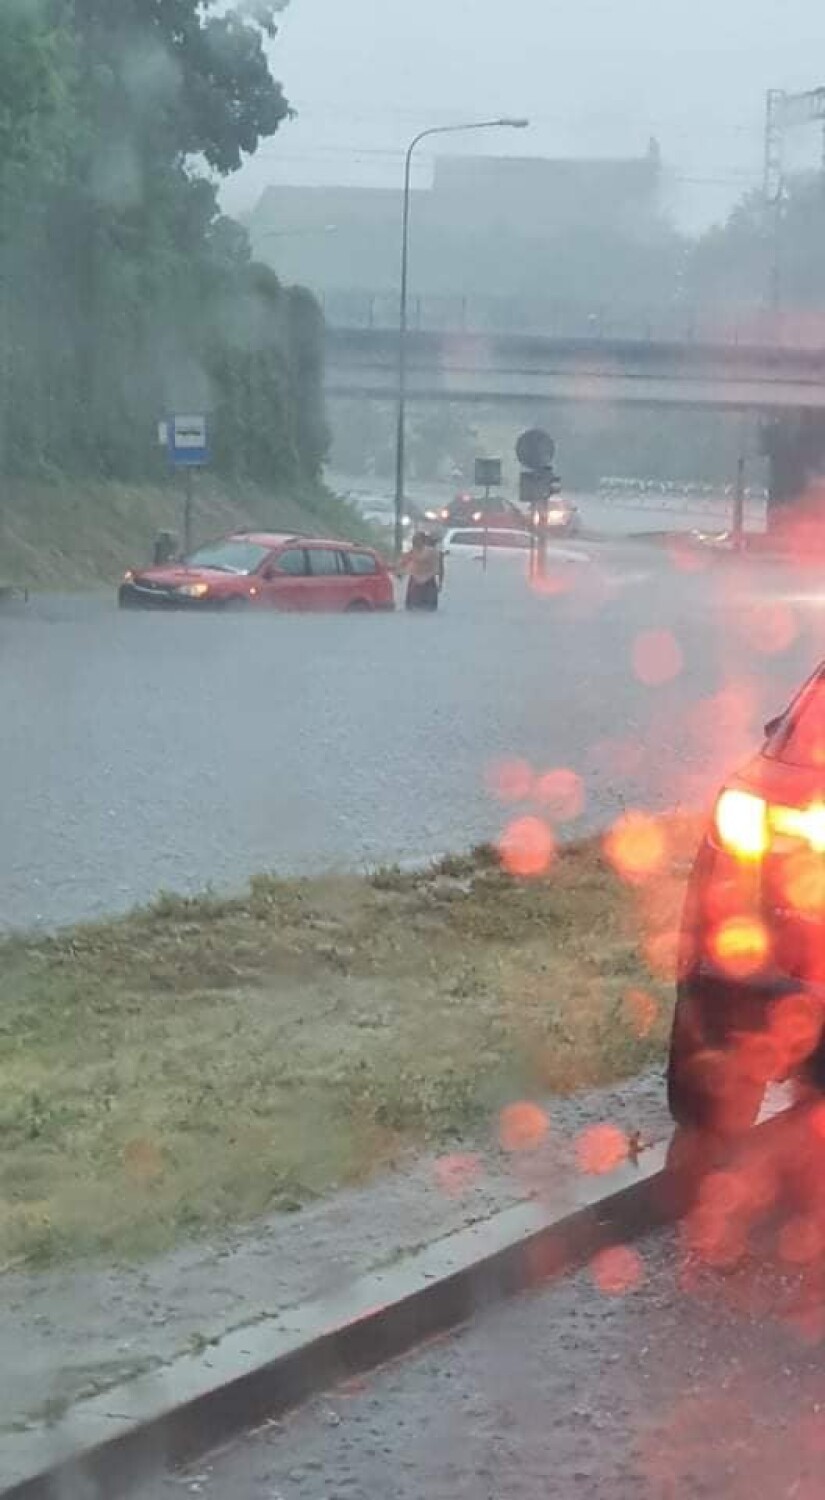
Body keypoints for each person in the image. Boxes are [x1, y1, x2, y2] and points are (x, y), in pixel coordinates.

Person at [398, 531, 442, 612]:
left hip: (428, 581)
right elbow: (403, 562)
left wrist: (440, 582)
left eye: (417, 540)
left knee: (429, 609)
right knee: (412, 608)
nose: (414, 542)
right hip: (415, 581)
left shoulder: (432, 552)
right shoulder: (412, 551)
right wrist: (400, 573)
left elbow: (439, 567)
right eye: (413, 540)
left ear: (423, 541)